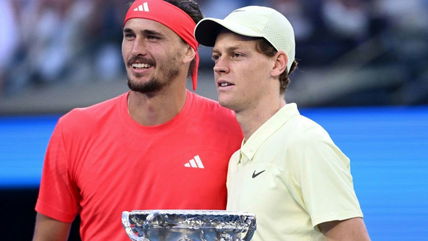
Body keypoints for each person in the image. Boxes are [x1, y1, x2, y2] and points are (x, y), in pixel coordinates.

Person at [32, 0, 243, 240]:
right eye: (129, 36)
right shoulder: (73, 130)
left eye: (152, 37)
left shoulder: (234, 130)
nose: (136, 49)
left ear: (188, 50)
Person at [194, 6, 371, 241]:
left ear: (277, 64)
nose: (219, 66)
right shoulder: (240, 157)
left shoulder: (305, 141)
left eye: (236, 54)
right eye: (217, 56)